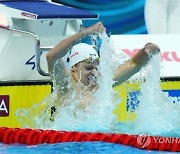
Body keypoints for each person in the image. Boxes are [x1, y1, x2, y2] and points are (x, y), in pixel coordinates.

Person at [46, 22, 160, 119]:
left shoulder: (102, 82)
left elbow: (134, 64)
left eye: (97, 68)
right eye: (89, 68)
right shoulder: (66, 85)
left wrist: (145, 52)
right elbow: (51, 57)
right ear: (73, 69)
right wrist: (84, 33)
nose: (94, 73)